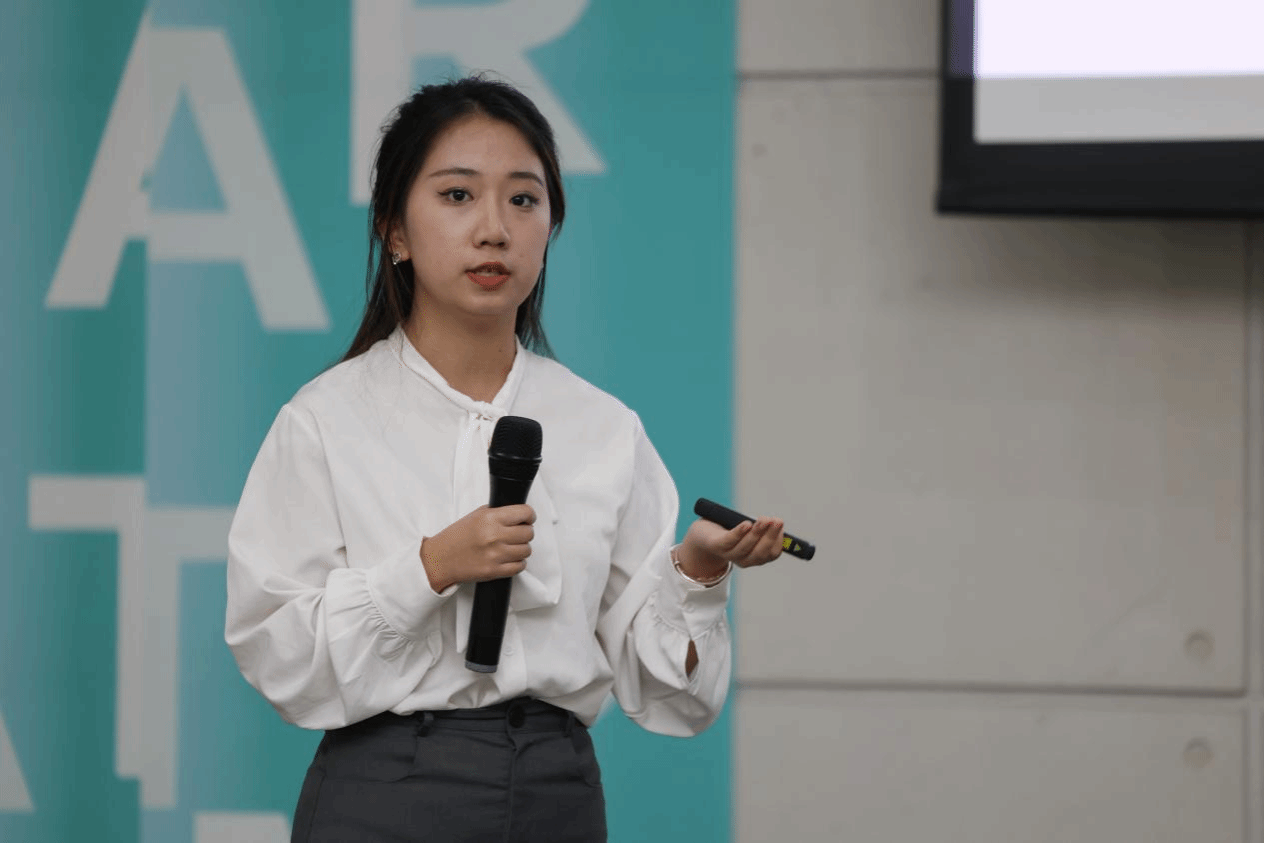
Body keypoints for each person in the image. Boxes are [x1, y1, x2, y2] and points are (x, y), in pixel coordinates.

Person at [224, 75, 786, 843]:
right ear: (394, 230)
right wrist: (429, 567)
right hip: (385, 790)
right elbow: (277, 652)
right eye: (458, 195)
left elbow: (673, 699)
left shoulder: (602, 427)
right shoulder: (326, 419)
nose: (494, 229)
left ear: (551, 226)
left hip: (555, 792)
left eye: (523, 199)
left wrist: (697, 571)